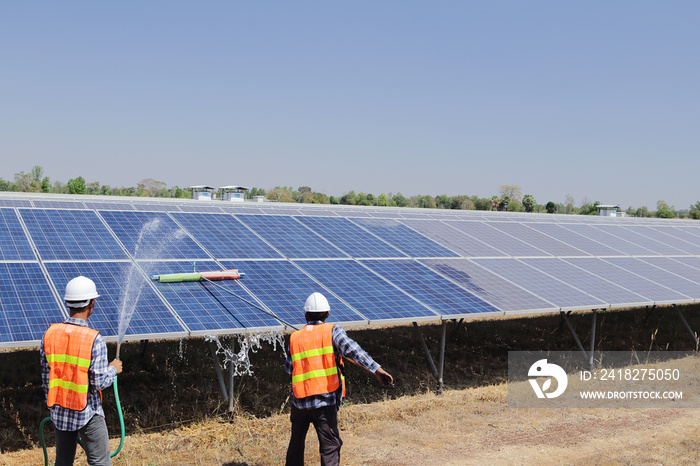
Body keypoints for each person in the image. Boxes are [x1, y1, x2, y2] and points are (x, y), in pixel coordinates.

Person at [285, 292, 393, 466]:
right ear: (327, 314)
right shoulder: (332, 330)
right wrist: (377, 370)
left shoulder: (295, 337)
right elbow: (354, 351)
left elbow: (289, 368)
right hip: (324, 403)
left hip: (299, 404)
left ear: (305, 315)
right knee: (330, 448)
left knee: (295, 447)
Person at [40, 276, 123, 466]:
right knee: (100, 462)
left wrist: (54, 406)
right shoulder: (94, 339)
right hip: (87, 413)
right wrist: (113, 369)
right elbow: (99, 382)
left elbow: (46, 377)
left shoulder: (49, 334)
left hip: (59, 410)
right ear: (91, 304)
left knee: (63, 461)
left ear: (68, 303)